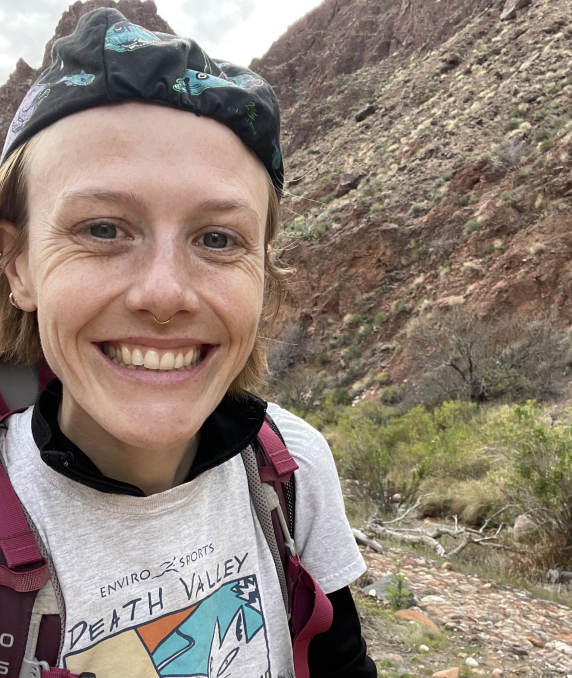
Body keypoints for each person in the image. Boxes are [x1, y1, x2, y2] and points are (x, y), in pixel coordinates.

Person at [0, 8, 377, 678]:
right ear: (18, 265)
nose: (166, 292)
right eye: (103, 229)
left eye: (217, 239)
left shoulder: (292, 470)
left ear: (263, 271)